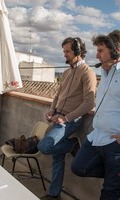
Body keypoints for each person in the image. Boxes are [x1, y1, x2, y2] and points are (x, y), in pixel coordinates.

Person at [38, 37, 97, 200]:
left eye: (67, 51)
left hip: (71, 121)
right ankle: (54, 194)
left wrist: (66, 118)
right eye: (63, 51)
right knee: (57, 159)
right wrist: (51, 111)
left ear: (78, 51)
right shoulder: (66, 72)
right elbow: (57, 95)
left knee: (44, 147)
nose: (64, 54)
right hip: (57, 117)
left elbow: (89, 102)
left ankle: (72, 145)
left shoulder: (88, 72)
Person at [71, 30, 120, 200]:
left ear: (116, 51)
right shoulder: (105, 73)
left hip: (115, 143)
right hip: (96, 136)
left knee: (109, 192)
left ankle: (115, 178)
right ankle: (114, 175)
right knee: (78, 167)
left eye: (101, 50)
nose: (97, 55)